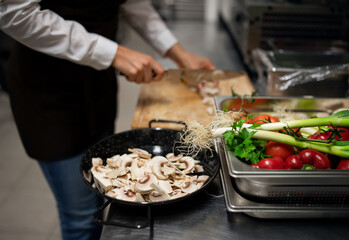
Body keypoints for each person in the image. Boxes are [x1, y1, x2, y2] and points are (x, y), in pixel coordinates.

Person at [0, 0, 215, 240]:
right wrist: (112, 52)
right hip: (48, 89)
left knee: (105, 183)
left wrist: (180, 54)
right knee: (82, 217)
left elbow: (133, 3)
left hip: (97, 82)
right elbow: (13, 13)